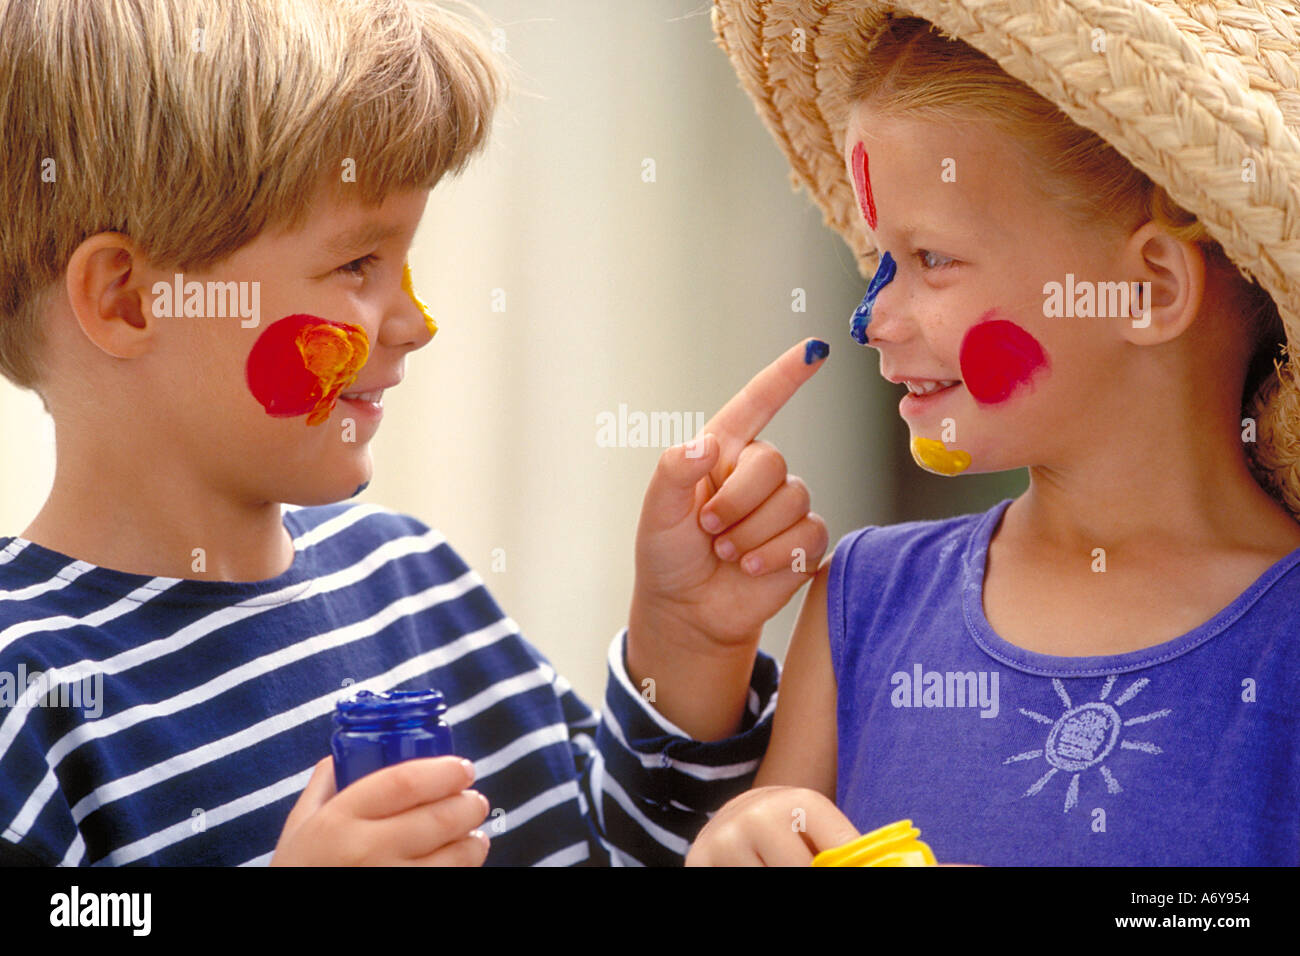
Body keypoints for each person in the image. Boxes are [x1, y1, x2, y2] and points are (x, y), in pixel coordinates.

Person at [0, 0, 830, 866]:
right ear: (130, 300)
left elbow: (624, 852)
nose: (416, 324)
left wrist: (686, 645)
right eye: (357, 264)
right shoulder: (29, 692)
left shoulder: (415, 580)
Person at [690, 0, 1300, 865]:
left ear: (1148, 291)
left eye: (931, 259)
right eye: (879, 262)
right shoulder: (864, 600)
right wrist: (740, 833)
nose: (870, 319)